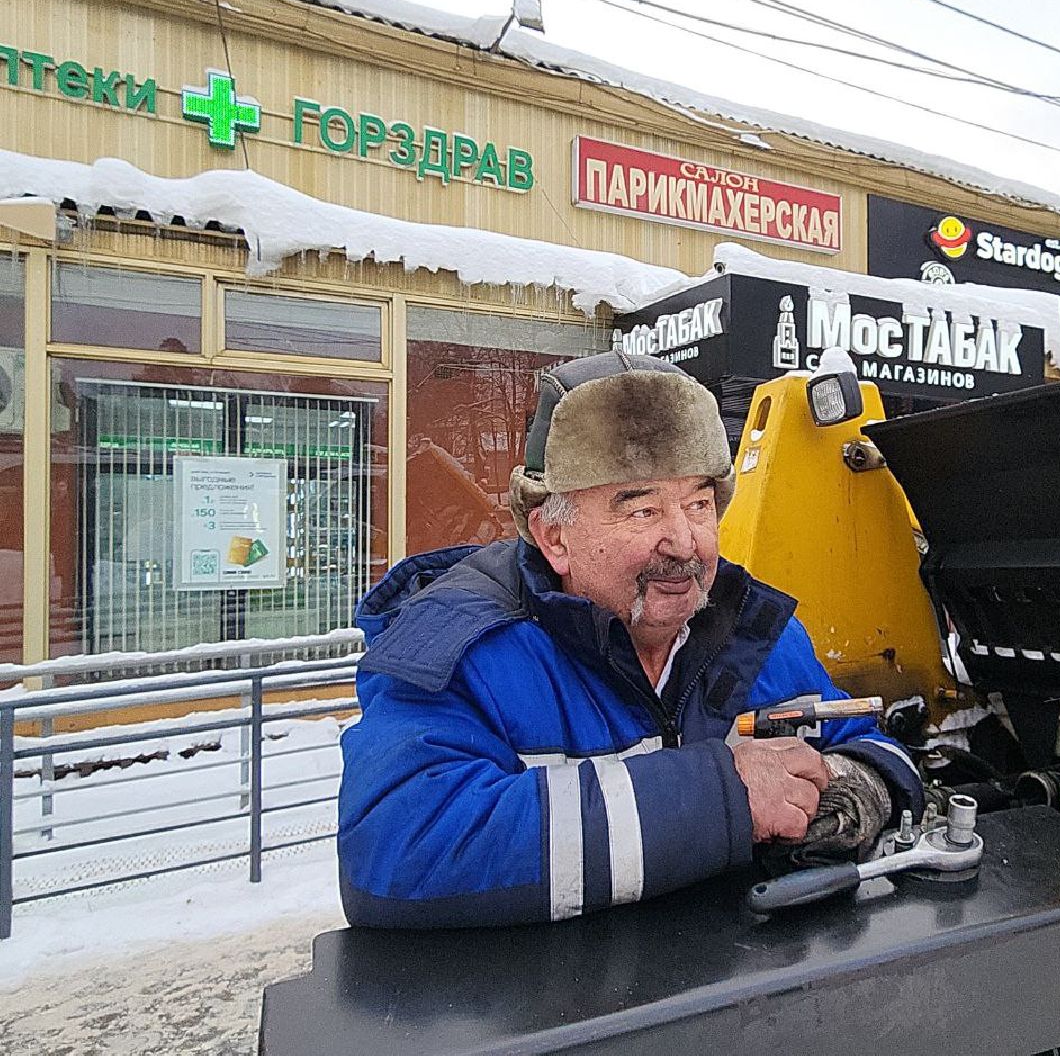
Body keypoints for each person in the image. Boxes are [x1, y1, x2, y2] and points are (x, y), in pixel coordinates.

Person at [337, 352, 922, 927]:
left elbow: (873, 744)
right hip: (566, 1013)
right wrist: (723, 801)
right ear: (554, 536)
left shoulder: (760, 634)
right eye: (642, 511)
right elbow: (398, 848)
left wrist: (861, 787)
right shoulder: (462, 650)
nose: (685, 542)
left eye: (699, 504)